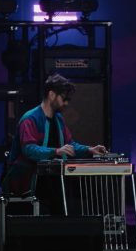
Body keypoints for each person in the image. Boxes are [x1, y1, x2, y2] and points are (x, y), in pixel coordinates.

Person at [6, 77, 102, 210]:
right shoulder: (30, 119)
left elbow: (69, 144)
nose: (66, 103)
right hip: (29, 184)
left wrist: (89, 149)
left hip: (51, 182)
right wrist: (55, 151)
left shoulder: (58, 119)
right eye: (63, 98)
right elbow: (28, 149)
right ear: (51, 95)